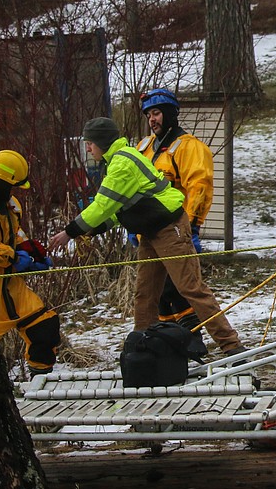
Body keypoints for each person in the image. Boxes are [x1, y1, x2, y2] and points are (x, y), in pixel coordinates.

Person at [47, 117, 242, 355]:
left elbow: (102, 205)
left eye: (90, 143)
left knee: (191, 287)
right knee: (145, 291)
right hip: (151, 229)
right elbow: (119, 210)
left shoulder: (121, 165)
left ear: (102, 142)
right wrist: (93, 229)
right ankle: (143, 347)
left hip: (169, 227)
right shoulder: (119, 161)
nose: (88, 148)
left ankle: (230, 344)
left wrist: (70, 232)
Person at [0, 150, 60, 374]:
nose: (13, 192)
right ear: (1, 181)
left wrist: (32, 254)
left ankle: (39, 382)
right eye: (12, 187)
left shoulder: (10, 205)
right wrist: (13, 257)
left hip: (10, 286)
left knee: (44, 328)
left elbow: (16, 235)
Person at [136, 88, 216, 353]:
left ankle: (193, 342)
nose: (152, 119)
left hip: (175, 231)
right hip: (148, 233)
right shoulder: (143, 147)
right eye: (149, 114)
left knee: (181, 289)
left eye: (157, 113)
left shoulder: (189, 147)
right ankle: (164, 345)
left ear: (170, 113)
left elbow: (199, 187)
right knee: (155, 295)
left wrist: (191, 225)